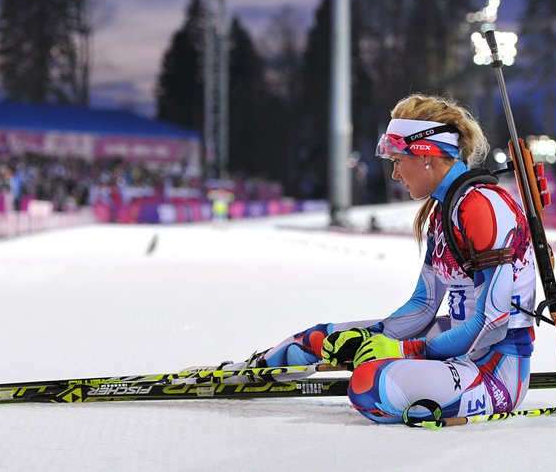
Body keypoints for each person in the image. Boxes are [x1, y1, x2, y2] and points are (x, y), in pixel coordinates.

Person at [228, 93, 537, 424]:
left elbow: (493, 322)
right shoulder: (444, 212)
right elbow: (423, 305)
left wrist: (405, 351)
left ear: (426, 156)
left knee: (368, 385)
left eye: (397, 161)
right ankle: (251, 372)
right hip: (456, 348)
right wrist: (372, 336)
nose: (395, 175)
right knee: (321, 339)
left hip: (493, 369)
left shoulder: (481, 206)